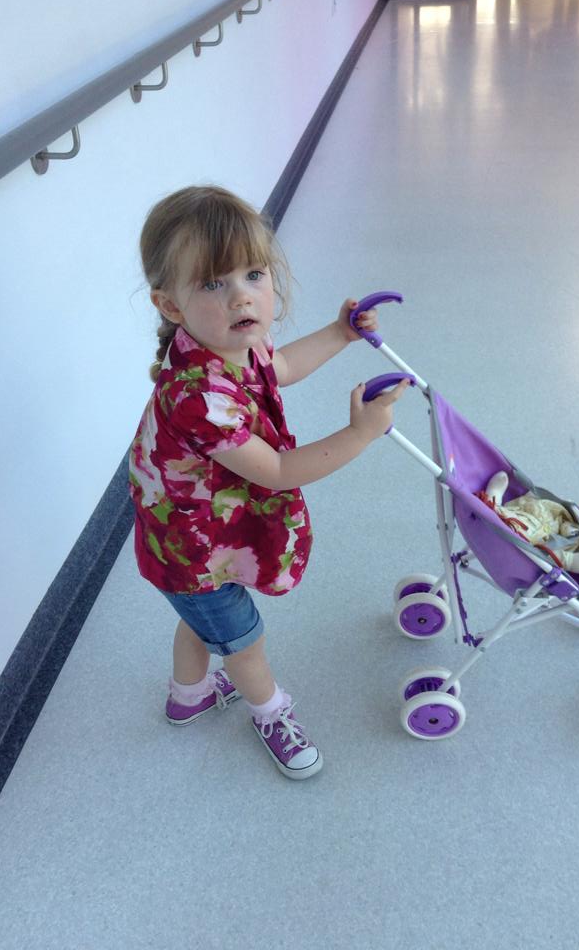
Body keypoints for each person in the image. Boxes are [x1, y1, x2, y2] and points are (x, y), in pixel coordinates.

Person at [129, 185, 407, 780]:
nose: (240, 296)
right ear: (170, 305)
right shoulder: (199, 397)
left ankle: (190, 696)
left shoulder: (231, 344)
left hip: (187, 536)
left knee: (201, 617)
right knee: (245, 641)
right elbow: (278, 472)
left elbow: (278, 369)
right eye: (211, 283)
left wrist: (340, 334)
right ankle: (269, 710)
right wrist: (358, 435)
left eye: (253, 274)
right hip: (191, 544)